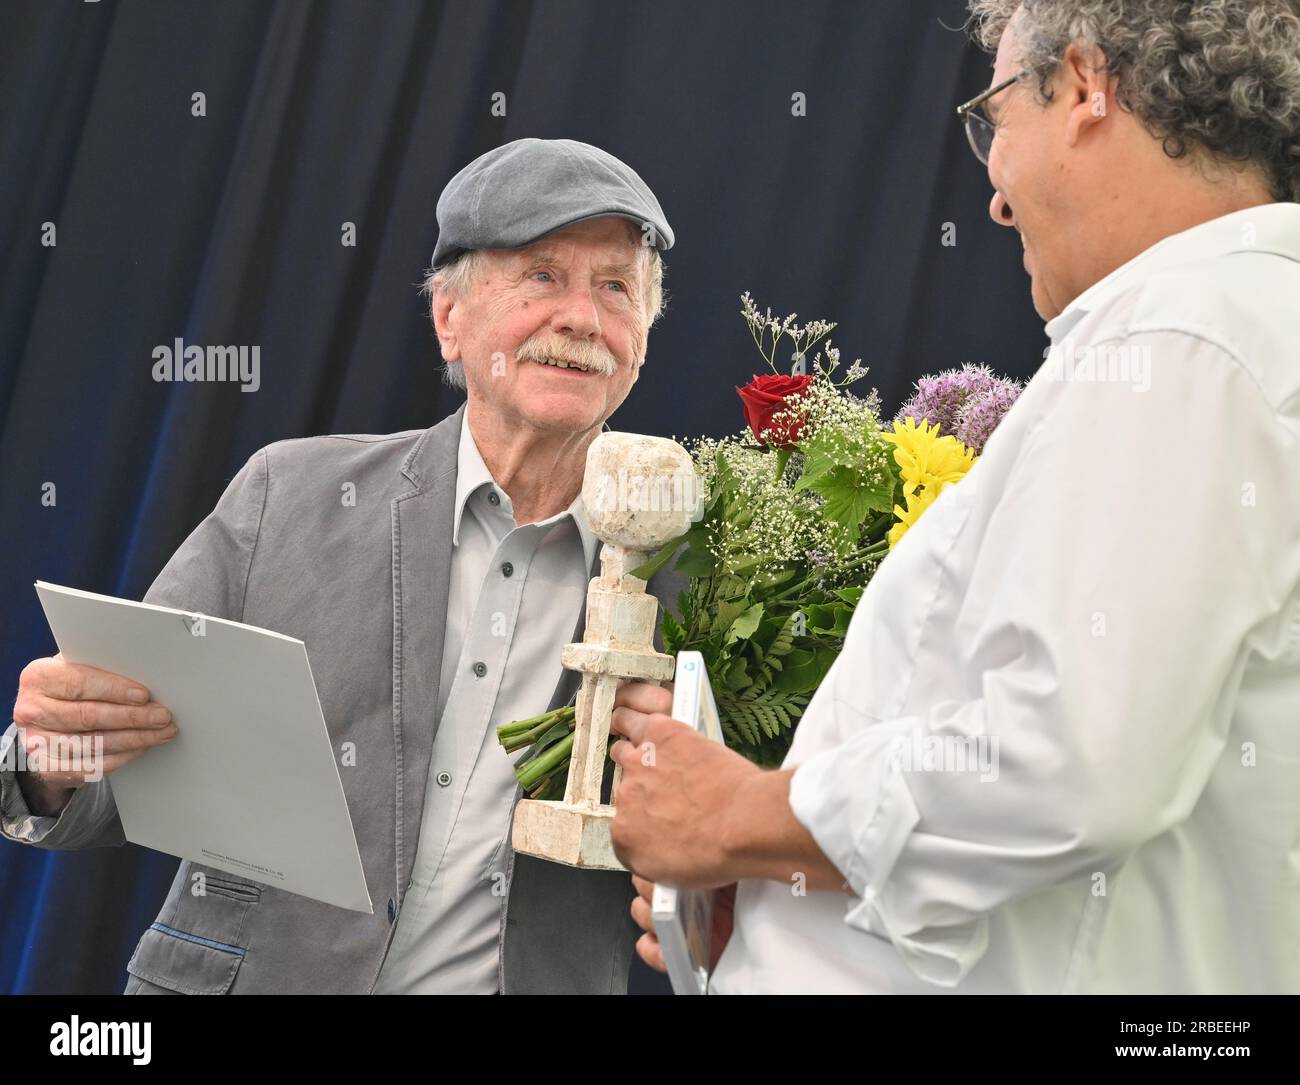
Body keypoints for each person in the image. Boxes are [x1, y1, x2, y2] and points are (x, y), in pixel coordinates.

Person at [609, 0, 1300, 993]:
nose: (994, 196)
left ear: (1085, 84)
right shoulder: (1223, 333)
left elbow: (1072, 763)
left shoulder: (1183, 339)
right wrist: (785, 882)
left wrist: (736, 816)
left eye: (993, 117)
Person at [1, 137, 684, 994]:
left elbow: (743, 866)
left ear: (642, 340)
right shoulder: (285, 495)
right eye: (542, 276)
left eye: (615, 286)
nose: (582, 318)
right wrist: (48, 761)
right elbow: (113, 776)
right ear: (451, 318)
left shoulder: (698, 573)